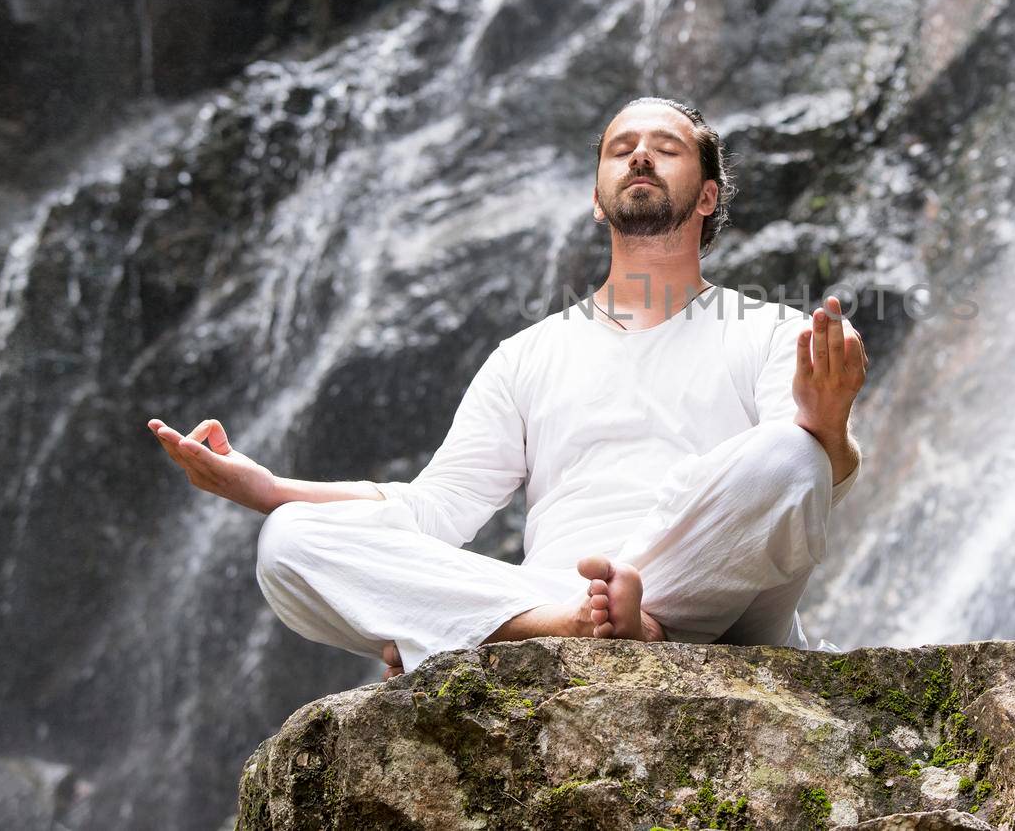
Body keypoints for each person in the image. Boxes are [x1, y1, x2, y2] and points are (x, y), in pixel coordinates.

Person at [147, 96, 867, 679]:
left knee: (791, 455)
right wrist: (266, 487)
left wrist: (828, 425)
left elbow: (807, 479)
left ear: (708, 195)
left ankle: (577, 620)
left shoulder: (772, 330)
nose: (640, 154)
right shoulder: (528, 354)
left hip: (728, 599)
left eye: (666, 146)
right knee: (287, 540)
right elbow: (433, 509)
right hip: (558, 593)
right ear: (596, 198)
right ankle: (570, 626)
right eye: (621, 147)